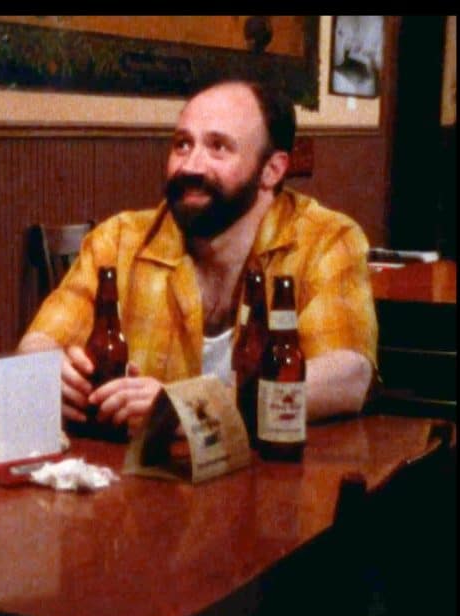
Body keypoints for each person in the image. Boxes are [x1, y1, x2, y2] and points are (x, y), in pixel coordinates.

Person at [18, 79, 377, 433]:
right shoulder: (119, 239)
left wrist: (190, 407)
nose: (190, 166)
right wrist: (50, 374)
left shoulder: (326, 240)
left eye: (218, 147)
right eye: (182, 144)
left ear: (272, 170)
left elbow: (348, 375)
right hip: (137, 482)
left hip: (272, 481)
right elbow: (35, 345)